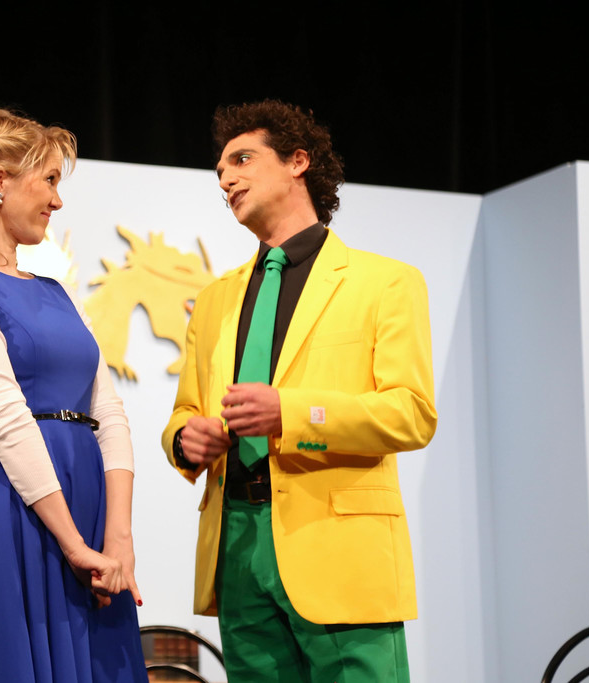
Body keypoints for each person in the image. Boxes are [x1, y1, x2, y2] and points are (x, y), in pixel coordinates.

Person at [162, 100, 437, 682]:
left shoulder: (385, 282)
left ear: (298, 162)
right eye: (219, 171)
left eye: (242, 160)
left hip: (339, 549)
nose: (226, 179)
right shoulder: (213, 300)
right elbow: (185, 410)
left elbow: (411, 414)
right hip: (236, 543)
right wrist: (187, 439)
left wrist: (289, 412)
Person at [0, 108, 147, 683]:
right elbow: (3, 414)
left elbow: (108, 413)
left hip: (89, 515)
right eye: (48, 180)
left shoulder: (58, 292)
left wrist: (117, 537)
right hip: (11, 509)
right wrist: (72, 543)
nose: (57, 200)